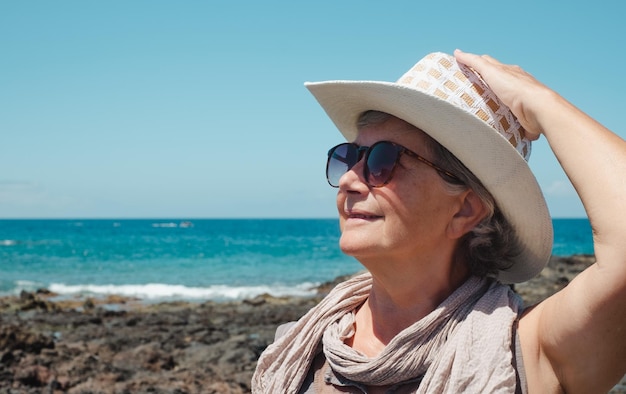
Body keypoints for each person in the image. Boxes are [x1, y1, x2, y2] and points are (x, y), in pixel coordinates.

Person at [251, 50, 626, 393]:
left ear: (465, 209)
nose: (350, 179)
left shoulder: (527, 355)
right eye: (350, 156)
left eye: (382, 160)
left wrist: (540, 101)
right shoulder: (299, 347)